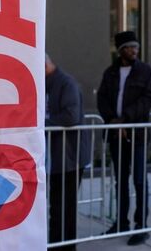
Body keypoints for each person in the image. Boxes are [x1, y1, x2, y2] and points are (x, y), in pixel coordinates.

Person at [97, 31, 151, 245]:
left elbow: (147, 100)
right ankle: (121, 221)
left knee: (139, 180)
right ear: (121, 50)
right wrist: (113, 120)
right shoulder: (110, 73)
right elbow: (102, 99)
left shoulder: (145, 71)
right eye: (130, 47)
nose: (134, 50)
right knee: (120, 180)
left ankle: (142, 226)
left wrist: (125, 120)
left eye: (136, 47)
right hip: (116, 134)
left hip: (136, 134)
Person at [45, 54, 91, 251]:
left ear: (45, 65)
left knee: (64, 206)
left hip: (70, 156)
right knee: (57, 206)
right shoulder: (52, 82)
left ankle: (65, 247)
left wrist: (41, 124)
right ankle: (57, 245)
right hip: (59, 156)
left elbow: (71, 116)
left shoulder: (66, 83)